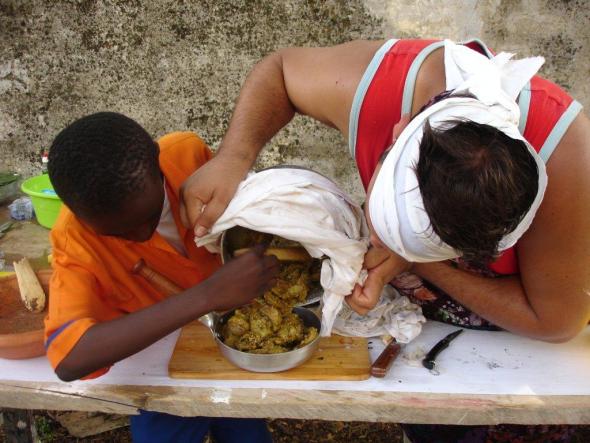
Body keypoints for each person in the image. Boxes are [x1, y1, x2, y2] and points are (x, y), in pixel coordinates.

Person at [178, 38, 590, 442]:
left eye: (388, 237)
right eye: (379, 224)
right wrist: (233, 156)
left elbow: (554, 321)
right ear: (396, 134)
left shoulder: (567, 164)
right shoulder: (376, 87)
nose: (372, 240)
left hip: (518, 352)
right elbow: (280, 71)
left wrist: (414, 263)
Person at [45, 112, 277, 443]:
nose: (141, 235)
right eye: (119, 233)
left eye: (152, 215)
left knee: (244, 429)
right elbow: (69, 360)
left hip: (234, 337)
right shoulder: (74, 240)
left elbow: (245, 216)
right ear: (76, 213)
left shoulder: (188, 156)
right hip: (160, 359)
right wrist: (207, 295)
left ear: (158, 163)